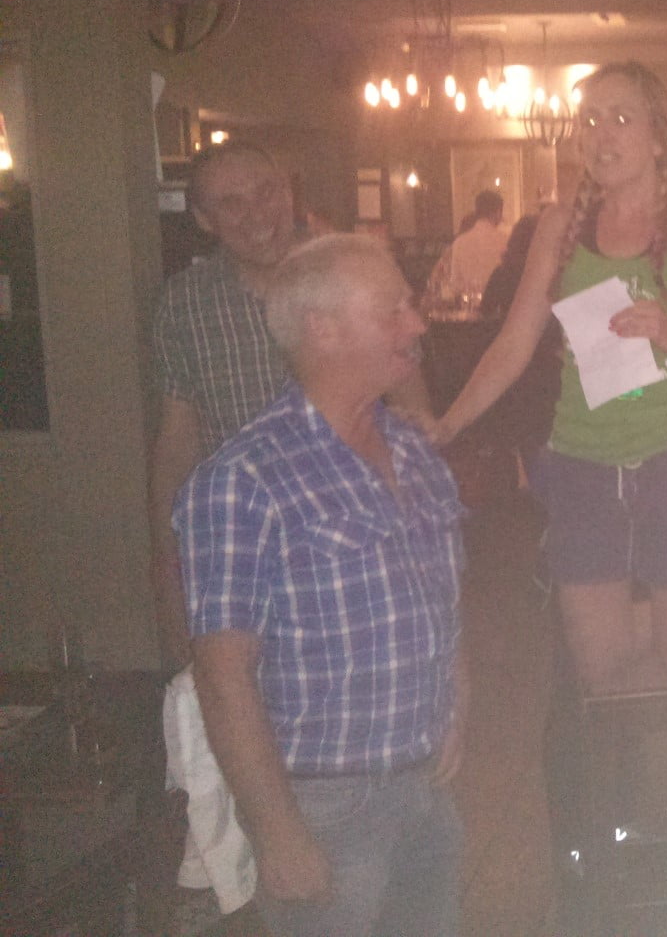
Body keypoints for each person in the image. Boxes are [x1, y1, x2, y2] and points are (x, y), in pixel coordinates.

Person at [435, 61, 667, 693]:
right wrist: (448, 423)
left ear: (658, 137)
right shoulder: (560, 229)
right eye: (588, 121)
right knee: (600, 668)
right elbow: (514, 342)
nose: (601, 135)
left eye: (620, 118)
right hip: (584, 459)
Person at [177, 234, 468, 937]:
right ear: (324, 330)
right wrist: (276, 830)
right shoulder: (245, 479)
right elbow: (223, 675)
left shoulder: (414, 450)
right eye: (393, 309)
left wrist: (459, 700)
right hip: (325, 806)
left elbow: (445, 598)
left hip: (427, 784)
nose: (417, 324)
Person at [149, 142, 296, 675]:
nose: (257, 214)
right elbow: (176, 455)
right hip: (240, 556)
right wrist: (171, 601)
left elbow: (411, 410)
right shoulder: (184, 304)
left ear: (288, 188)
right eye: (231, 203)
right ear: (204, 219)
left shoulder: (349, 277)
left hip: (347, 548)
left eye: (266, 191)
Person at [426, 188, 508, 306]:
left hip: (469, 306)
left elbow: (455, 284)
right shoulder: (505, 240)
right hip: (498, 306)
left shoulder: (460, 242)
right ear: (498, 212)